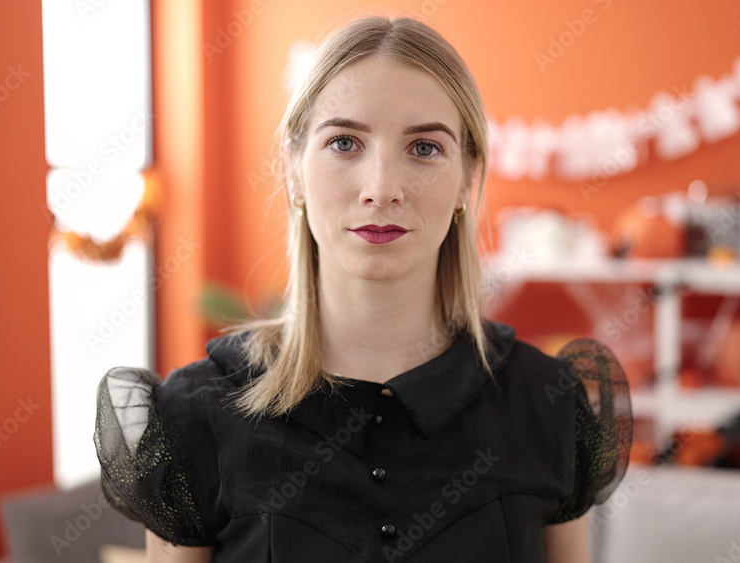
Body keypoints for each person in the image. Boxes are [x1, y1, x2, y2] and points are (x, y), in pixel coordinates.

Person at [95, 14, 632, 563]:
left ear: (467, 180)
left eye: (424, 148)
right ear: (293, 171)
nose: (381, 189)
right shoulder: (192, 416)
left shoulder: (550, 404)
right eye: (345, 142)